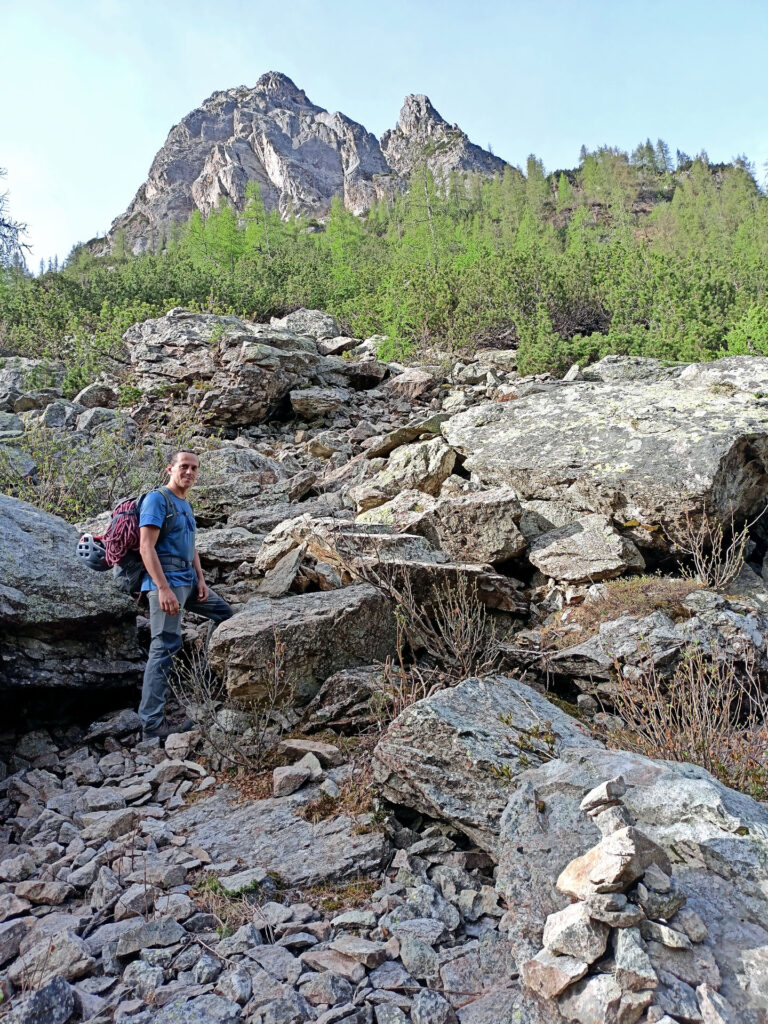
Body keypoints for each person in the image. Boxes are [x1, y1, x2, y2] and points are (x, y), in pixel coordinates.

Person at [138, 450, 232, 740]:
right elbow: (146, 547)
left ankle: (206, 677)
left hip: (188, 581)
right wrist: (163, 588)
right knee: (165, 644)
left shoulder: (185, 504)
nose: (189, 472)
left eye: (194, 468)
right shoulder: (158, 499)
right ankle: (152, 723)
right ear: (170, 468)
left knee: (225, 614)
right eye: (184, 467)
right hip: (166, 581)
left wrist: (201, 580)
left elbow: (192, 547)